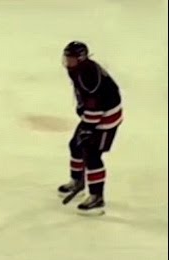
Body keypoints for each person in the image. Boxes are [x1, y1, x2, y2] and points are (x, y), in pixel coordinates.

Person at [57, 41, 122, 215]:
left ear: (81, 58)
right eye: (67, 58)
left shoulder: (88, 74)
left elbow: (97, 104)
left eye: (71, 59)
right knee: (76, 146)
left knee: (92, 155)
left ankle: (96, 197)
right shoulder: (79, 69)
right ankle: (77, 181)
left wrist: (88, 127)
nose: (67, 62)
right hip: (93, 116)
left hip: (106, 118)